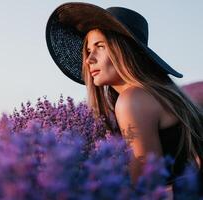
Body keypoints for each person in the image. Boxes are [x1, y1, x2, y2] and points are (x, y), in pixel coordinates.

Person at [45, 2, 203, 196]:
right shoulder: (158, 93)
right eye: (87, 50)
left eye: (100, 46)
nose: (88, 59)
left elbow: (147, 188)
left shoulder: (132, 100)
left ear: (124, 50)